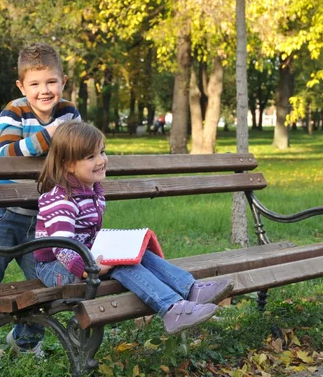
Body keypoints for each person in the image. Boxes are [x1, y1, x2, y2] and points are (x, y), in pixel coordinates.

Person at [34, 121, 234, 335]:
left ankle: (192, 289)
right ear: (68, 165)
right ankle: (172, 309)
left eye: (101, 152)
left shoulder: (92, 192)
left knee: (136, 255)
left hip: (83, 255)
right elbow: (62, 248)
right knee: (122, 265)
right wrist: (88, 268)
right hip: (56, 267)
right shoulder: (61, 199)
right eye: (91, 157)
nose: (101, 161)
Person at [0, 43, 81, 364]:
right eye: (35, 84)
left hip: (44, 218)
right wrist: (53, 133)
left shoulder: (70, 112)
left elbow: (77, 151)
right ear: (21, 86)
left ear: (63, 81)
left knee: (47, 284)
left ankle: (26, 342)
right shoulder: (13, 111)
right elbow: (6, 154)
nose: (44, 90)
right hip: (3, 214)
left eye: (51, 82)